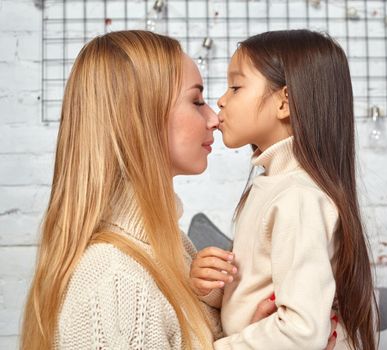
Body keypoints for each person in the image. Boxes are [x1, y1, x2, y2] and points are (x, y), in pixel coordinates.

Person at [19, 30, 269, 350]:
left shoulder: (170, 245)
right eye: (196, 101)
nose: (213, 118)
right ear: (138, 117)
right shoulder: (114, 283)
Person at [190, 29, 379, 350]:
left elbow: (302, 332)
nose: (220, 100)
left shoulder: (298, 198)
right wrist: (213, 288)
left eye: (235, 87)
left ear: (284, 102)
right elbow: (261, 291)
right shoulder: (271, 186)